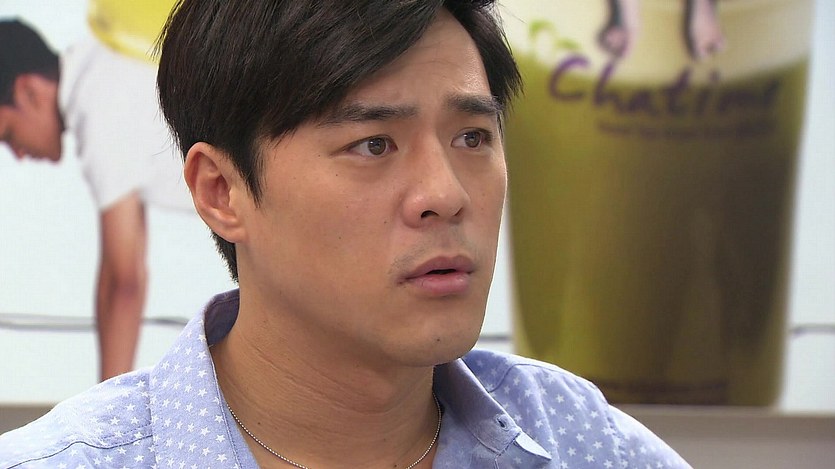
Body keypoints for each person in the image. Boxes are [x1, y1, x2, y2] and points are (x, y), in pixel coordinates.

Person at [0, 1, 691, 467]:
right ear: (221, 192)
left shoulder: (585, 443)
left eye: (473, 137)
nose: (446, 195)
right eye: (373, 145)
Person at [0, 17, 191, 381]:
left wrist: (103, 409)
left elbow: (123, 281)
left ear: (28, 91)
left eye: (8, 134)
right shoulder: (102, 69)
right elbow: (126, 271)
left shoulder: (100, 102)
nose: (18, 154)